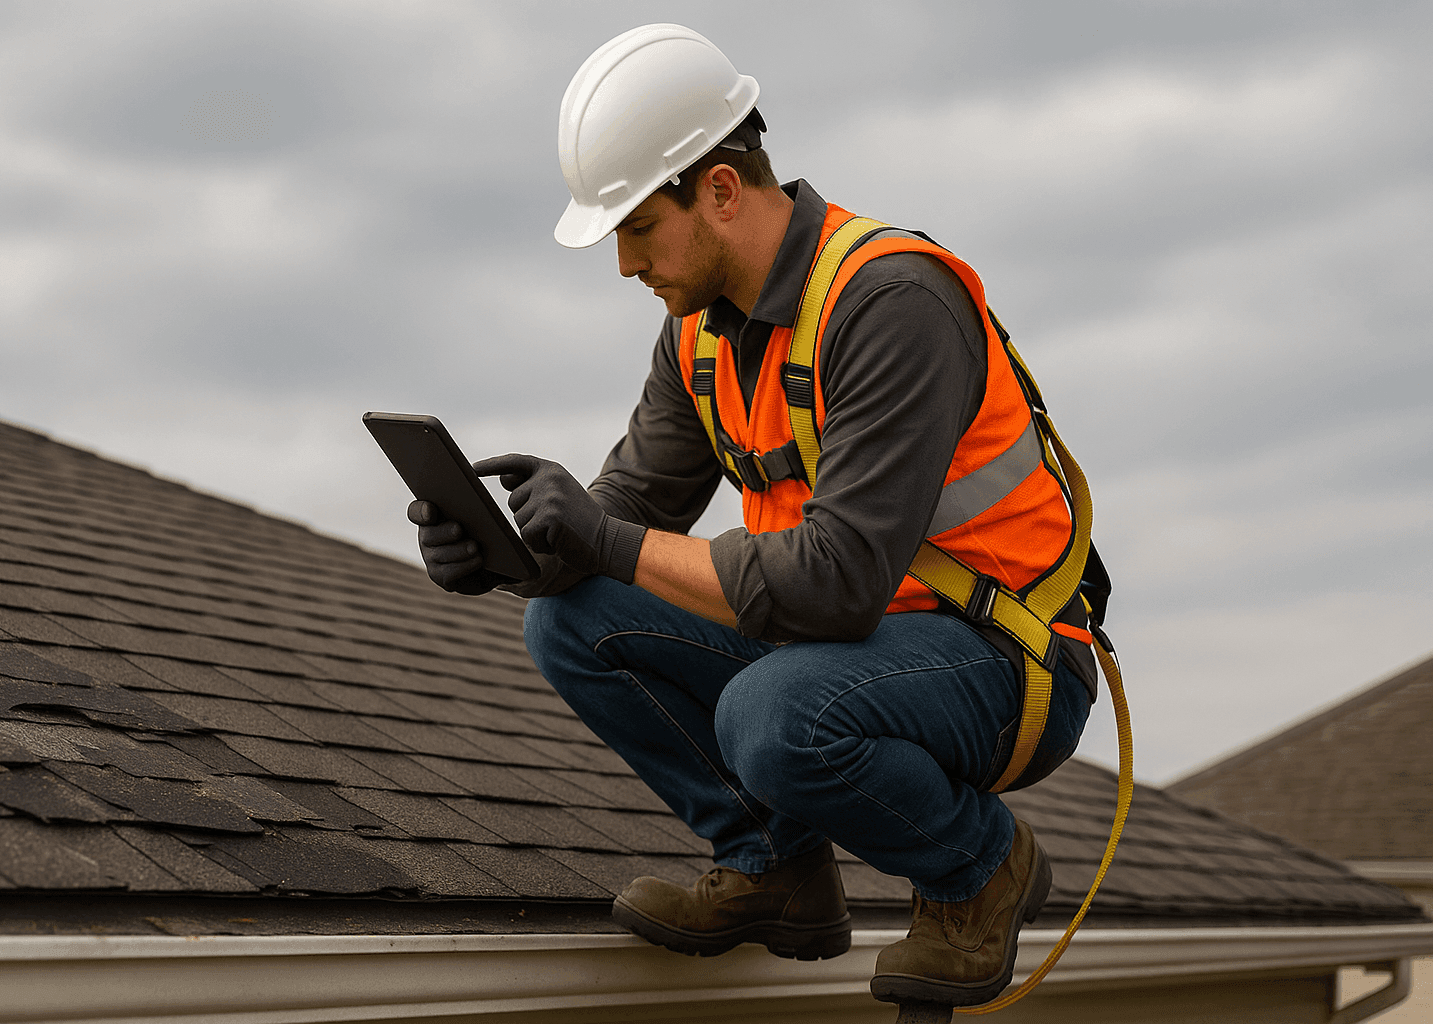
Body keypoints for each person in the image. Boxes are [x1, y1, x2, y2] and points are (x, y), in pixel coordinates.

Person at [409, 24, 1104, 1009]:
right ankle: (778, 865)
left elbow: (832, 585)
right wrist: (510, 555)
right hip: (854, 647)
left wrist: (604, 538)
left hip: (1005, 655)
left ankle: (981, 864)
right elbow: (624, 519)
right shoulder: (695, 333)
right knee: (568, 617)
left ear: (721, 191)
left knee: (772, 714)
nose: (623, 263)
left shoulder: (890, 301)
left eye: (640, 227)